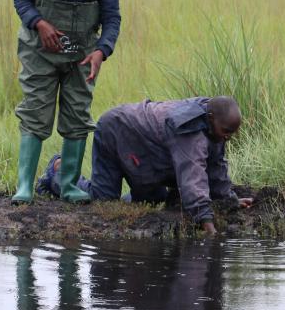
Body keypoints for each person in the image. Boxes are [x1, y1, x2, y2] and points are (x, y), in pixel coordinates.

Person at [10, 0, 121, 204]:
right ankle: (25, 187)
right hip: (39, 52)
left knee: (77, 115)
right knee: (36, 112)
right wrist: (40, 23)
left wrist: (101, 51)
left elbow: (112, 18)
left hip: (82, 55)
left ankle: (69, 185)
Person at [37, 96, 253, 233]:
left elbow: (216, 165)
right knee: (102, 198)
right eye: (226, 132)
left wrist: (228, 198)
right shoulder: (191, 132)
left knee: (154, 197)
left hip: (145, 148)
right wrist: (207, 225)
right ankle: (57, 171)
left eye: (232, 134)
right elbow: (193, 175)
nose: (228, 138)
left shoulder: (212, 124)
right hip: (116, 130)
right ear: (211, 117)